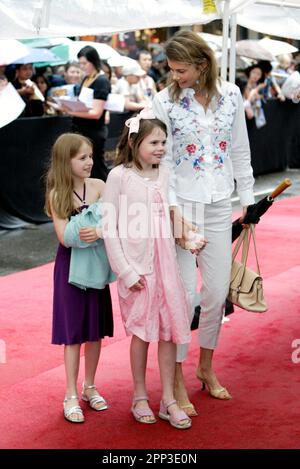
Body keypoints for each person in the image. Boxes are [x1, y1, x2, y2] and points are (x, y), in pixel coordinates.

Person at [152, 30, 255, 416]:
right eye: (172, 69)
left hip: (218, 204)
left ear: (202, 64)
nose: (175, 75)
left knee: (214, 295)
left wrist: (247, 200)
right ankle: (175, 376)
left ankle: (206, 366)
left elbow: (241, 149)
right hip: (180, 206)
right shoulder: (163, 101)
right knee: (183, 297)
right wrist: (174, 212)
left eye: (181, 69)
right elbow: (159, 162)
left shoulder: (231, 95)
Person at [103, 110, 192, 429]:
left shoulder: (164, 174)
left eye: (164, 142)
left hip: (165, 264)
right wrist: (125, 271)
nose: (161, 147)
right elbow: (109, 227)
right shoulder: (119, 177)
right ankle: (139, 395)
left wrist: (189, 235)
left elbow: (170, 211)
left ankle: (168, 397)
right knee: (141, 332)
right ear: (135, 141)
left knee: (170, 330)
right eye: (154, 141)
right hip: (137, 270)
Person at [45, 133, 114, 423]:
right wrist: (96, 226)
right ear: (65, 160)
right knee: (73, 334)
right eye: (82, 157)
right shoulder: (56, 194)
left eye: (90, 156)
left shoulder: (100, 185)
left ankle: (90, 386)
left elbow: (113, 223)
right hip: (70, 270)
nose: (89, 162)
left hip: (97, 266)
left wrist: (97, 229)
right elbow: (66, 239)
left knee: (94, 331)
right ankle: (70, 393)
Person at [61, 46, 111, 181]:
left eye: (84, 63)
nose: (82, 67)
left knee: (96, 168)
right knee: (83, 169)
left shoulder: (101, 81)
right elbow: (84, 104)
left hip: (93, 132)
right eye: (80, 64)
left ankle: (106, 197)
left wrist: (71, 111)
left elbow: (96, 113)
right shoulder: (86, 78)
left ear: (93, 61)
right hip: (81, 129)